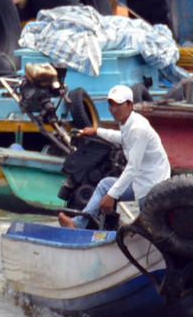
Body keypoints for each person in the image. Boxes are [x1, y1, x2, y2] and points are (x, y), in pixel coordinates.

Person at [57, 86, 170, 229]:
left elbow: (132, 168)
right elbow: (122, 137)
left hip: (150, 185)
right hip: (139, 180)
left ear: (130, 105)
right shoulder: (129, 123)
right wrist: (96, 131)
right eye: (111, 104)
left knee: (150, 230)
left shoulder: (138, 128)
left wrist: (112, 195)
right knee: (105, 184)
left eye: (118, 104)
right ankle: (77, 224)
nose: (114, 109)